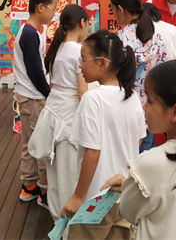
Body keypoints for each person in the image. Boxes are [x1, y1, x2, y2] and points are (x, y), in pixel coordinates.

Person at [101, 60, 176, 240]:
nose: (144, 106)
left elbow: (128, 211)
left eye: (150, 100)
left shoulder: (148, 164)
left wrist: (130, 186)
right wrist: (132, 184)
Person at [61, 30, 146, 239]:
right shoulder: (132, 97)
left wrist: (78, 196)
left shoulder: (92, 99)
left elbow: (93, 151)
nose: (80, 65)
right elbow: (137, 141)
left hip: (96, 196)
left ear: (102, 63)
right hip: (123, 193)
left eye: (83, 59)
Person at [28, 4, 90, 222]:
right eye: (87, 23)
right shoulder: (79, 52)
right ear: (81, 23)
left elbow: (53, 86)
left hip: (54, 114)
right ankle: (69, 224)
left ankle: (57, 219)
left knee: (55, 174)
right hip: (69, 118)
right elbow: (82, 93)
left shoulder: (57, 50)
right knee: (70, 174)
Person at [14, 0, 59, 210]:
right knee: (41, 145)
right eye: (53, 8)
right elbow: (35, 72)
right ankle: (44, 191)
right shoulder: (30, 34)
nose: (54, 14)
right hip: (33, 98)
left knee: (29, 143)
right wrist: (49, 94)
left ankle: (29, 185)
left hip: (27, 96)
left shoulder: (29, 31)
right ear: (40, 7)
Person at [110, 0, 170, 152]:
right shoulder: (156, 37)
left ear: (121, 9)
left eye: (113, 10)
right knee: (145, 156)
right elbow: (165, 71)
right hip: (150, 107)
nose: (114, 15)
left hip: (125, 106)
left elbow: (113, 74)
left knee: (125, 156)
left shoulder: (120, 38)